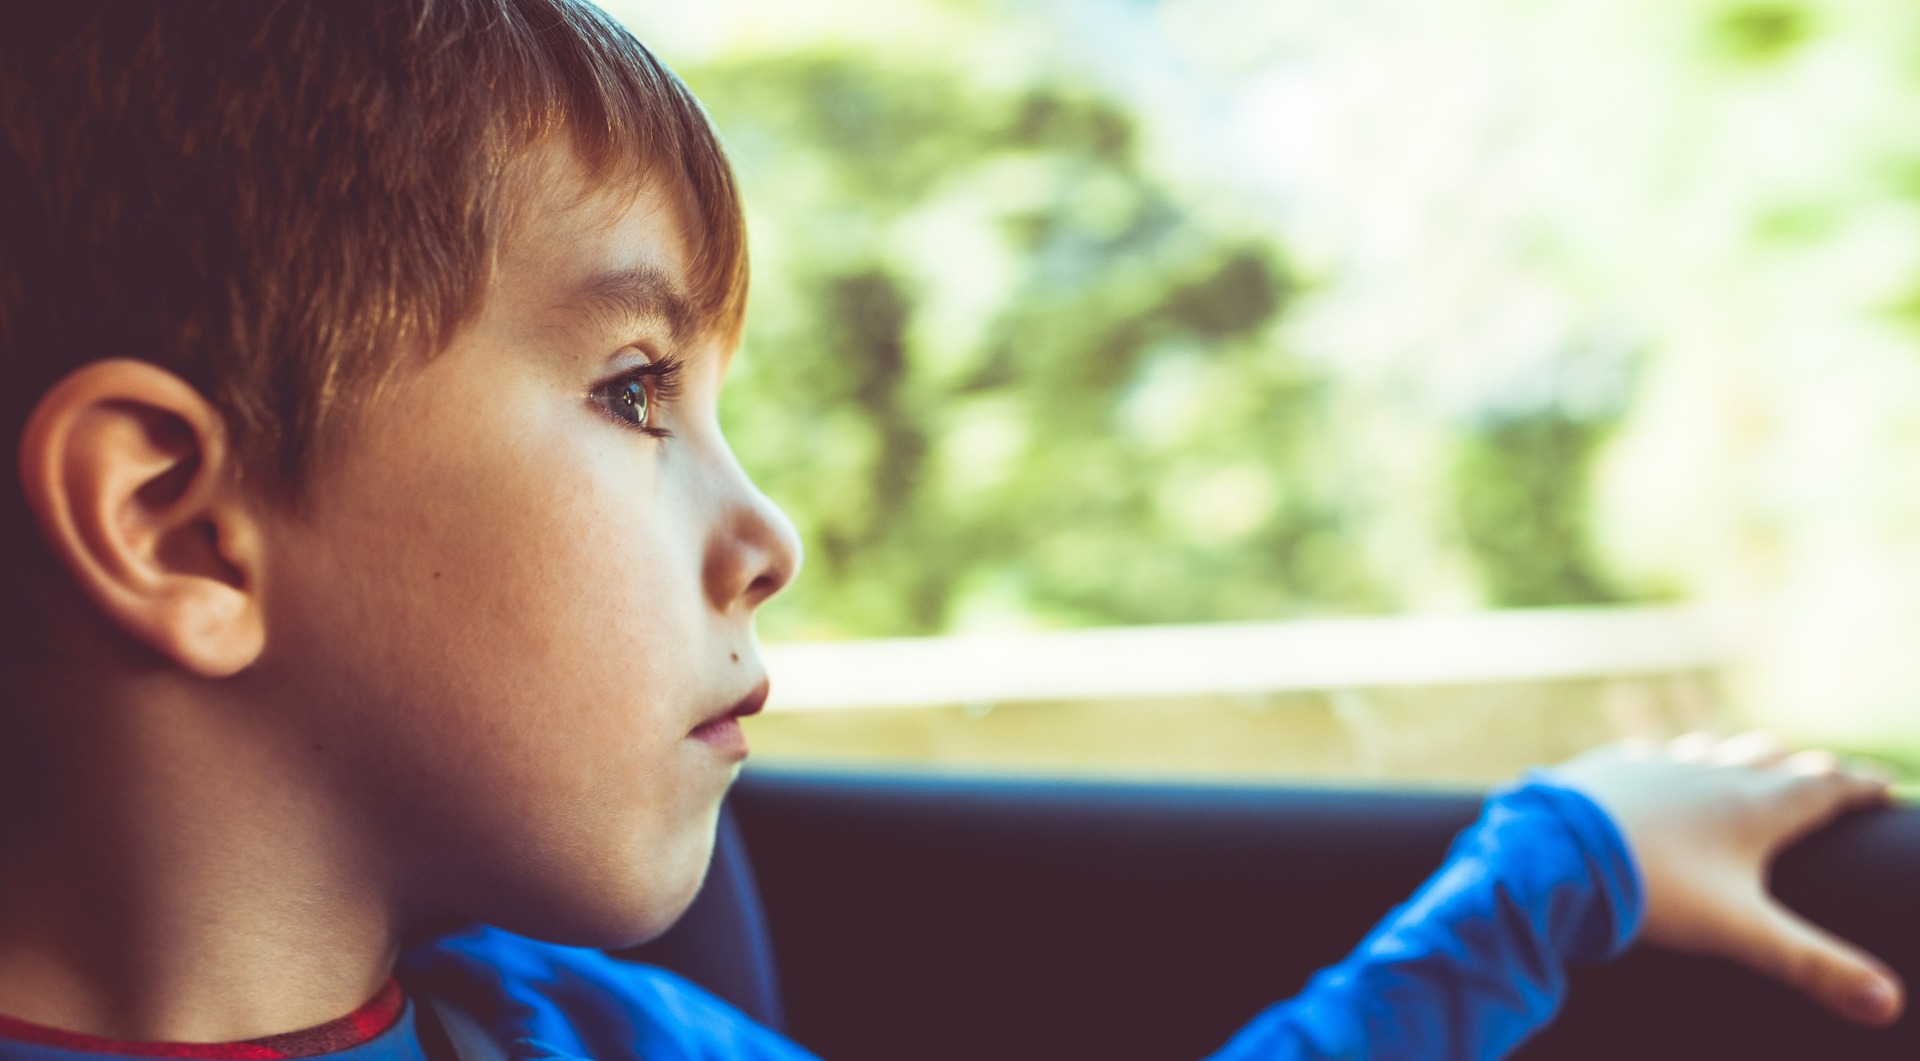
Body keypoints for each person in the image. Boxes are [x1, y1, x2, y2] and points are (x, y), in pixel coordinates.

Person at [0, 3, 1901, 1059]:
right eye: (636, 390)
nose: (771, 535)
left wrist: (1557, 867)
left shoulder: (602, 1038)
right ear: (183, 523)